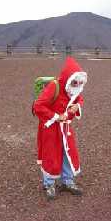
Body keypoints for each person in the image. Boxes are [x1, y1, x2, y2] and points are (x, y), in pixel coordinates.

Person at [33, 56, 87, 200]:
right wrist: (56, 116)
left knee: (68, 153)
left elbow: (79, 98)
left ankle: (67, 181)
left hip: (65, 128)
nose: (77, 85)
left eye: (79, 82)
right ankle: (48, 183)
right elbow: (38, 106)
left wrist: (78, 106)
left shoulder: (73, 88)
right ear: (68, 78)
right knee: (50, 154)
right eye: (75, 81)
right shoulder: (54, 86)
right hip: (50, 128)